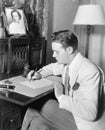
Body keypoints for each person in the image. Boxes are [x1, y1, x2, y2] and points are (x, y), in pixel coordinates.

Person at [21, 30, 105, 130]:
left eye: (56, 52)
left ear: (69, 50)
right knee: (36, 121)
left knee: (36, 106)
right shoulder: (69, 63)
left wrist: (60, 96)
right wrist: (39, 74)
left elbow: (91, 113)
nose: (53, 55)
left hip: (85, 123)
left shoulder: (90, 71)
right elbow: (51, 68)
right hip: (72, 113)